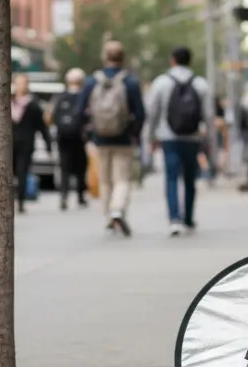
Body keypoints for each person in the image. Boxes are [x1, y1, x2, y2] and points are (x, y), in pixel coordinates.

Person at [75, 41, 145, 236]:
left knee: (105, 181)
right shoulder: (129, 82)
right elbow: (140, 113)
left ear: (104, 57)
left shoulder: (92, 81)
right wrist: (134, 133)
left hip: (100, 139)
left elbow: (80, 111)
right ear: (123, 58)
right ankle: (117, 209)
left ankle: (109, 218)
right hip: (123, 139)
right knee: (122, 179)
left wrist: (89, 133)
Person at [145, 46, 213, 236]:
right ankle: (189, 218)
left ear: (172, 60)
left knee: (172, 177)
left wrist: (150, 137)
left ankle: (175, 219)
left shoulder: (161, 82)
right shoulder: (200, 84)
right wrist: (208, 138)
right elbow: (208, 115)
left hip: (169, 138)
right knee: (190, 179)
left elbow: (153, 113)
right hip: (192, 137)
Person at [11, 73, 51, 215]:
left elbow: (41, 126)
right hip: (9, 144)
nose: (20, 86)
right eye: (17, 83)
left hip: (26, 143)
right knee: (10, 172)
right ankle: (9, 200)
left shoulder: (33, 104)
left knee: (22, 172)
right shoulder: (9, 101)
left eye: (22, 83)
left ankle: (20, 201)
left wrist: (48, 144)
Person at [50, 68, 89, 211]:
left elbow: (53, 116)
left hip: (63, 138)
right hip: (79, 138)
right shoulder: (83, 97)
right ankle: (80, 195)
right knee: (80, 168)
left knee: (64, 168)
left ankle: (64, 196)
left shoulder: (60, 97)